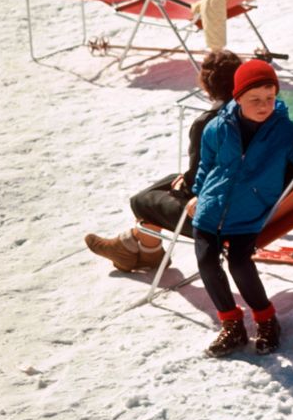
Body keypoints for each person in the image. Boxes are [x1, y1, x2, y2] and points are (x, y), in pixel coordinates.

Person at [190, 59, 293, 356]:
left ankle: (266, 318)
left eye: (270, 98)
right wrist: (197, 194)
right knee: (207, 262)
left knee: (239, 263)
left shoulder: (284, 130)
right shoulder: (217, 128)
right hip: (211, 207)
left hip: (250, 211)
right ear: (238, 98)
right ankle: (232, 325)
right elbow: (205, 165)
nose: (263, 106)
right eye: (255, 100)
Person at [85, 49, 242, 272]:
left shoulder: (209, 123)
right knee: (169, 180)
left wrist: (184, 187)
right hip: (255, 205)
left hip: (220, 220)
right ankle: (141, 250)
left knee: (142, 201)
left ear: (207, 85)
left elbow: (201, 182)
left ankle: (135, 246)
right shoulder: (257, 113)